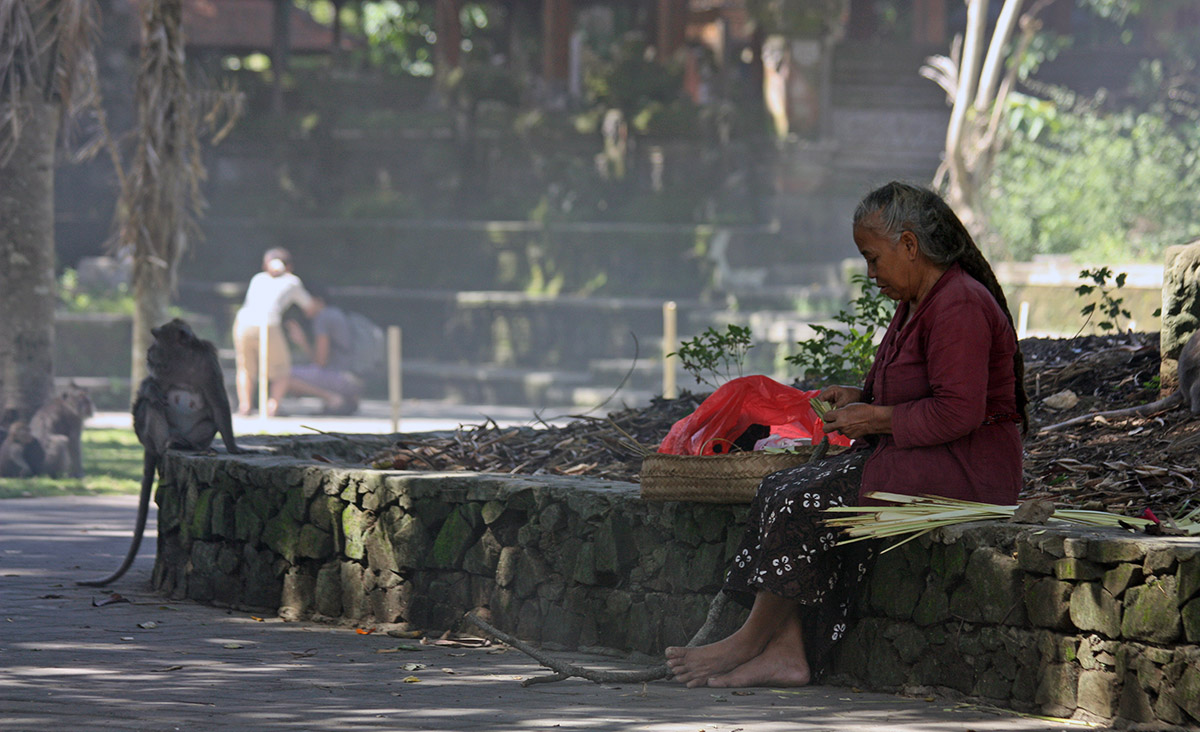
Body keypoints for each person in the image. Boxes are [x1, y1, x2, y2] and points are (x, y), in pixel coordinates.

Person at [665, 181, 1027, 689]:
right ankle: (786, 651)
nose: (871, 273)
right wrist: (859, 397)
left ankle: (749, 641)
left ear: (909, 245)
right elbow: (916, 391)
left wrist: (875, 419)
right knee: (777, 488)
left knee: (800, 499)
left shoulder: (959, 304)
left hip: (966, 469)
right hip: (921, 455)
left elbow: (958, 412)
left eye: (873, 258)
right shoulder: (919, 300)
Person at [233, 248, 313, 417]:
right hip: (269, 324)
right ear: (289, 266)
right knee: (282, 370)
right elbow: (309, 306)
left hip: (243, 323)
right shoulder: (292, 281)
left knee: (245, 368)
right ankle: (273, 407)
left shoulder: (258, 278)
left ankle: (245, 406)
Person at [284, 282, 362, 415]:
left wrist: (302, 341)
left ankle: (333, 398)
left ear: (318, 301)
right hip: (355, 377)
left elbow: (320, 362)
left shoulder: (323, 318)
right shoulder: (335, 313)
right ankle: (345, 399)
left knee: (281, 374)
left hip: (342, 378)